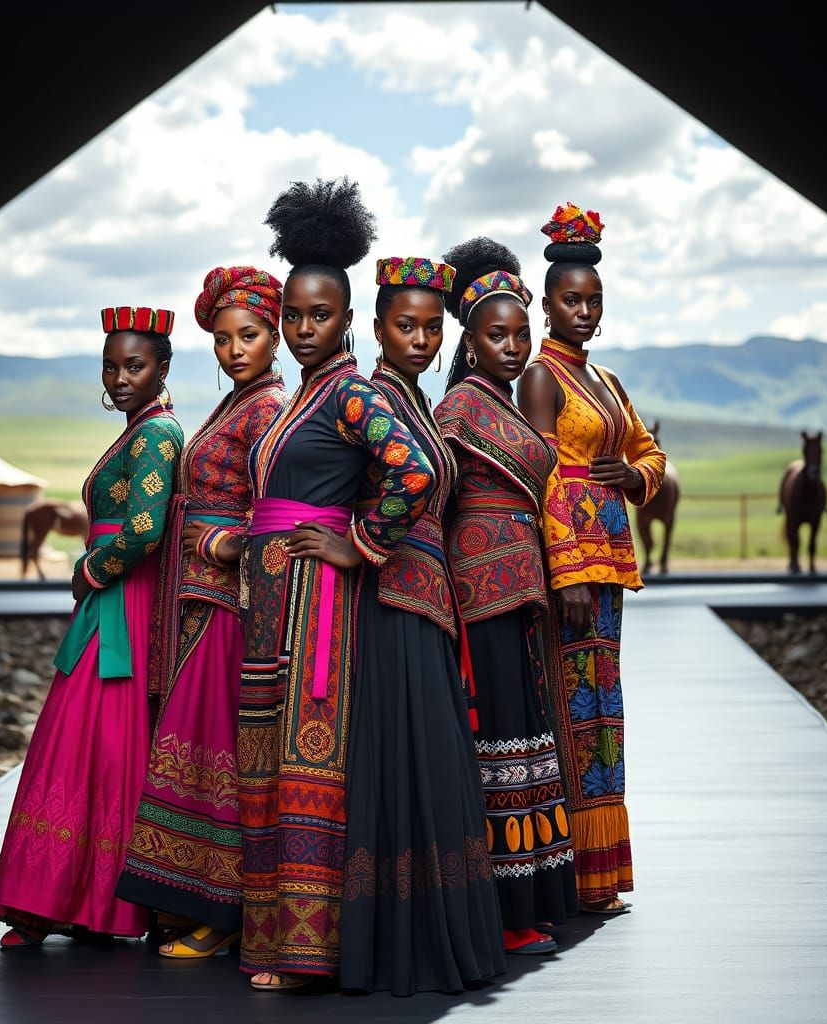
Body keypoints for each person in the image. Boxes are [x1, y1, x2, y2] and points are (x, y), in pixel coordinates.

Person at [238, 180, 436, 991]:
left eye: (319, 316)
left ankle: (308, 952)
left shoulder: (353, 391)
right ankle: (266, 942)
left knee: (305, 765)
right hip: (267, 604)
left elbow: (414, 471)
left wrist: (360, 543)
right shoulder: (298, 397)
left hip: (316, 607)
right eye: (292, 316)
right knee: (263, 766)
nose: (302, 328)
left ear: (348, 320)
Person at [0, 306, 185, 946]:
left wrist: (90, 568)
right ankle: (73, 899)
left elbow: (145, 530)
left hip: (120, 603)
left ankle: (51, 901)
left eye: (136, 365)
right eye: (111, 365)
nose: (121, 377)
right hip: (112, 598)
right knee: (89, 740)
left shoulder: (156, 435)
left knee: (82, 736)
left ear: (163, 368)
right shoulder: (137, 431)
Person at [338, 257, 505, 995]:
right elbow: (394, 482)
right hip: (394, 604)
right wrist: (362, 543)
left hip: (427, 602)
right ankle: (405, 946)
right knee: (410, 763)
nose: (421, 338)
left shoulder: (413, 399)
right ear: (376, 329)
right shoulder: (376, 396)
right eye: (405, 325)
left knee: (432, 762)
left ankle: (432, 940)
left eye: (432, 327)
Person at [115, 268, 287, 958]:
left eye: (248, 335)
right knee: (190, 748)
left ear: (274, 334)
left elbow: (280, 515)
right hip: (198, 597)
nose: (234, 349)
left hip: (230, 600)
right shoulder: (239, 402)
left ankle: (226, 911)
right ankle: (192, 902)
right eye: (221, 339)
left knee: (214, 746)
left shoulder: (270, 407)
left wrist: (219, 540)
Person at [435, 238, 583, 954]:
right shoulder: (459, 407)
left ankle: (530, 900)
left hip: (520, 589)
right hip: (480, 594)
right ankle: (501, 910)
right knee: (499, 745)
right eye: (497, 335)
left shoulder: (499, 399)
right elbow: (435, 493)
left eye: (522, 334)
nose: (514, 346)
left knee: (526, 745)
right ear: (468, 339)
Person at [517, 204, 666, 913]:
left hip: (608, 572)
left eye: (593, 301)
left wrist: (636, 479)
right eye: (570, 299)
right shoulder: (542, 378)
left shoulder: (605, 379)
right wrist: (567, 570)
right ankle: (576, 873)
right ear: (546, 305)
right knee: (575, 712)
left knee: (605, 710)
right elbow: (544, 473)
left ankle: (603, 872)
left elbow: (647, 450)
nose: (582, 310)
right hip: (575, 575)